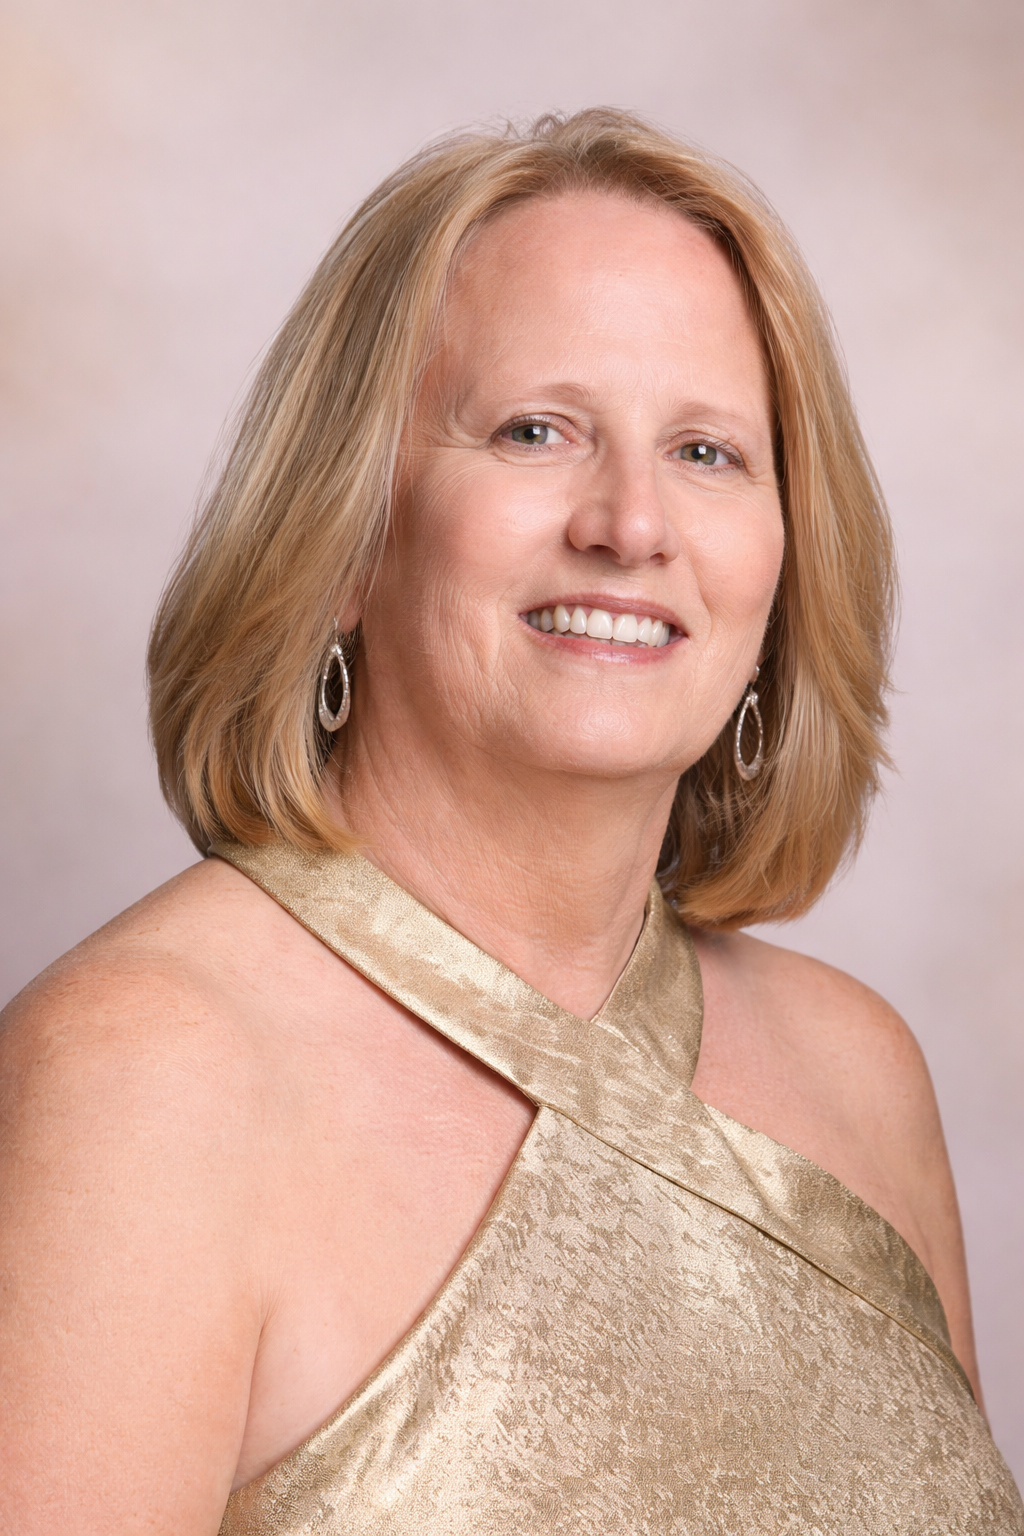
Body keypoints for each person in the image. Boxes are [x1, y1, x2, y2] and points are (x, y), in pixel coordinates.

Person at [1, 108, 1020, 1535]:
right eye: (536, 430)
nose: (630, 523)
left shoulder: (859, 1073)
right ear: (348, 532)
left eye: (710, 453)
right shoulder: (143, 1073)